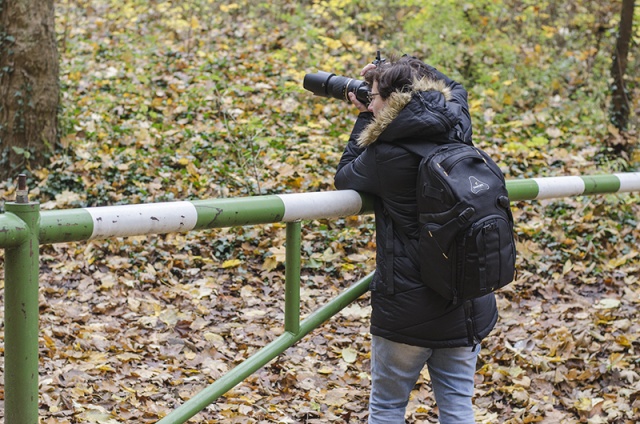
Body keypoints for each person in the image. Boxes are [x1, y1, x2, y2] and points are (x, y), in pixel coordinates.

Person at [334, 56, 498, 424]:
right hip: (466, 300)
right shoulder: (456, 126)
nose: (370, 101)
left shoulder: (385, 154)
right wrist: (407, 66)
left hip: (408, 309)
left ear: (393, 100)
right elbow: (456, 89)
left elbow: (344, 176)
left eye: (374, 96)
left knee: (388, 408)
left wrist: (364, 118)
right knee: (457, 406)